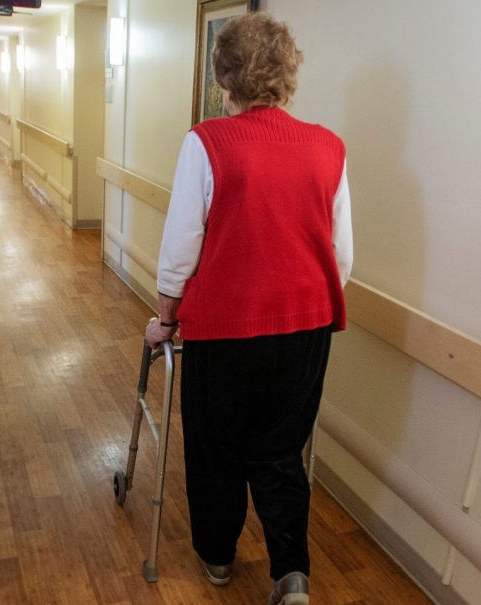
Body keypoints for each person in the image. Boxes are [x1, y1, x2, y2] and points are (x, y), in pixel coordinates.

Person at [143, 12, 352, 605]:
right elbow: (342, 257)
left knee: (216, 447)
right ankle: (292, 574)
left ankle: (216, 556)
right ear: (287, 75)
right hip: (306, 327)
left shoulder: (208, 141)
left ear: (224, 79)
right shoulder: (329, 148)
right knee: (283, 449)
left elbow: (182, 244)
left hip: (226, 327)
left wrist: (168, 313)